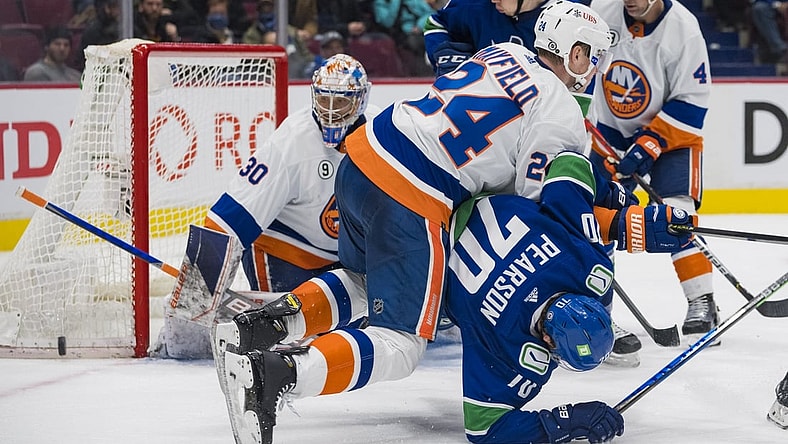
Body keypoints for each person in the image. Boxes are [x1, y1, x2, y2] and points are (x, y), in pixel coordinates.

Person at [211, 3, 668, 442]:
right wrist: (624, 225)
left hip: (364, 153)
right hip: (413, 191)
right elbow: (539, 213)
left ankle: (259, 327)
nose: (595, 66)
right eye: (591, 53)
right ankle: (274, 376)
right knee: (401, 345)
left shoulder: (502, 51)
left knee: (363, 281)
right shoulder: (562, 112)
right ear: (572, 51)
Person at [151, 54, 376, 359]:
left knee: (366, 331)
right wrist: (189, 316)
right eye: (324, 100)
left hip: (345, 259)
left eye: (343, 103)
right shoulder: (290, 144)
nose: (332, 113)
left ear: (361, 102)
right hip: (284, 254)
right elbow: (225, 224)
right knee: (288, 341)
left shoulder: (379, 133)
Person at [587, 0, 716, 365]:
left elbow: (692, 101)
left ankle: (701, 299)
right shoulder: (602, 10)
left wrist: (650, 143)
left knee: (677, 213)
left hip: (673, 139)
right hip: (611, 135)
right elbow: (580, 70)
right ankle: (596, 306)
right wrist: (592, 133)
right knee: (597, 218)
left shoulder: (683, 29)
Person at [77, 0, 121, 71]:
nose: (118, 11)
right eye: (115, 7)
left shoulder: (123, 26)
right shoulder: (93, 31)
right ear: (107, 9)